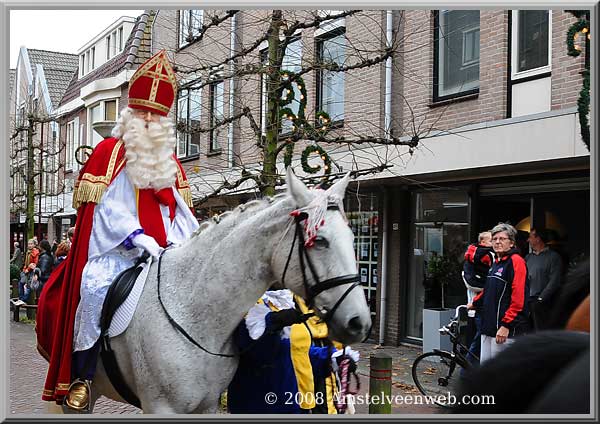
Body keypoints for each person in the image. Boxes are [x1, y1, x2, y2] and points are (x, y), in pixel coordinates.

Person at [36, 50, 199, 411]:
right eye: (143, 115)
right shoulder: (111, 153)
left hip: (166, 254)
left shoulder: (171, 165)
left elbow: (181, 213)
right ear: (130, 115)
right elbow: (109, 210)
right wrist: (139, 239)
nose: (148, 122)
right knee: (93, 290)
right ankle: (82, 376)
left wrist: (185, 243)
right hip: (120, 252)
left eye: (155, 119)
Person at [227, 289, 344, 414]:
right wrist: (273, 322)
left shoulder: (288, 301)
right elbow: (254, 351)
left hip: (295, 403)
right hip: (261, 405)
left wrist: (331, 358)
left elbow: (298, 351)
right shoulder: (248, 303)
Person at [468, 223, 530, 363]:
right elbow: (489, 289)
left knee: (502, 376)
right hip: (489, 327)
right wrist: (475, 303)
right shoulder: (496, 261)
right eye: (494, 239)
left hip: (503, 331)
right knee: (487, 371)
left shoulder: (516, 262)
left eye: (502, 239)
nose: (497, 242)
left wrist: (506, 325)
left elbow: (519, 298)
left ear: (512, 243)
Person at [462, 231, 493, 364]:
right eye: (492, 240)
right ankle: (468, 366)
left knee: (480, 334)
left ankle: (469, 365)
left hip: (475, 303)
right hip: (480, 303)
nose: (495, 243)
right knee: (481, 334)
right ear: (482, 243)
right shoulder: (489, 256)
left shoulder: (470, 257)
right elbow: (471, 282)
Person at [525, 227, 563, 331]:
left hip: (542, 302)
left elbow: (555, 281)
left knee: (540, 332)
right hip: (527, 301)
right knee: (525, 333)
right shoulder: (528, 257)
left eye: (530, 237)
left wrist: (541, 299)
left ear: (538, 239)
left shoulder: (553, 257)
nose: (528, 240)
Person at [19, 239, 39, 304]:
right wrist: (25, 269)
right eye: (29, 244)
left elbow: (34, 263)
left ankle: (24, 300)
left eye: (31, 244)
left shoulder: (35, 252)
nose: (29, 245)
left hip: (31, 271)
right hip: (26, 270)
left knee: (29, 286)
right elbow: (26, 262)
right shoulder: (28, 252)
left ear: (34, 245)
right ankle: (21, 298)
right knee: (21, 283)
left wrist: (28, 269)